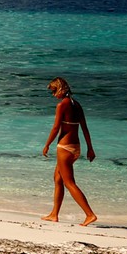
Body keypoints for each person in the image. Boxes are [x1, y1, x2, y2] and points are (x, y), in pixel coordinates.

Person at [41, 77, 97, 226]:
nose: (53, 95)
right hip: (75, 148)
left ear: (60, 89)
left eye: (54, 91)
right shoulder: (76, 105)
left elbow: (55, 128)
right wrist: (90, 148)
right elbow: (85, 128)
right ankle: (54, 214)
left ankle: (90, 214)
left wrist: (47, 145)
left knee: (69, 183)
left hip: (64, 148)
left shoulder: (62, 105)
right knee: (57, 179)